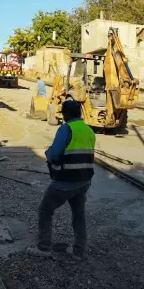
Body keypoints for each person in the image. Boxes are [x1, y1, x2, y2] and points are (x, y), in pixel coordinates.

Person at [27, 100, 95, 260]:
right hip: (84, 181)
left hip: (65, 181)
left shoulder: (66, 129)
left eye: (63, 113)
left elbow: (55, 154)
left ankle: (44, 247)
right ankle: (78, 251)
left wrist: (48, 153)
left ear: (68, 114)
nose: (62, 116)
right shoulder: (89, 130)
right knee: (79, 215)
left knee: (45, 210)